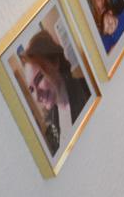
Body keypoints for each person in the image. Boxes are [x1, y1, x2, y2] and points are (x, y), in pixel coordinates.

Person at [19, 28, 92, 156]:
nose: (37, 96)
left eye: (39, 78)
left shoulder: (88, 89)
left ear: (55, 62)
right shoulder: (51, 128)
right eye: (31, 89)